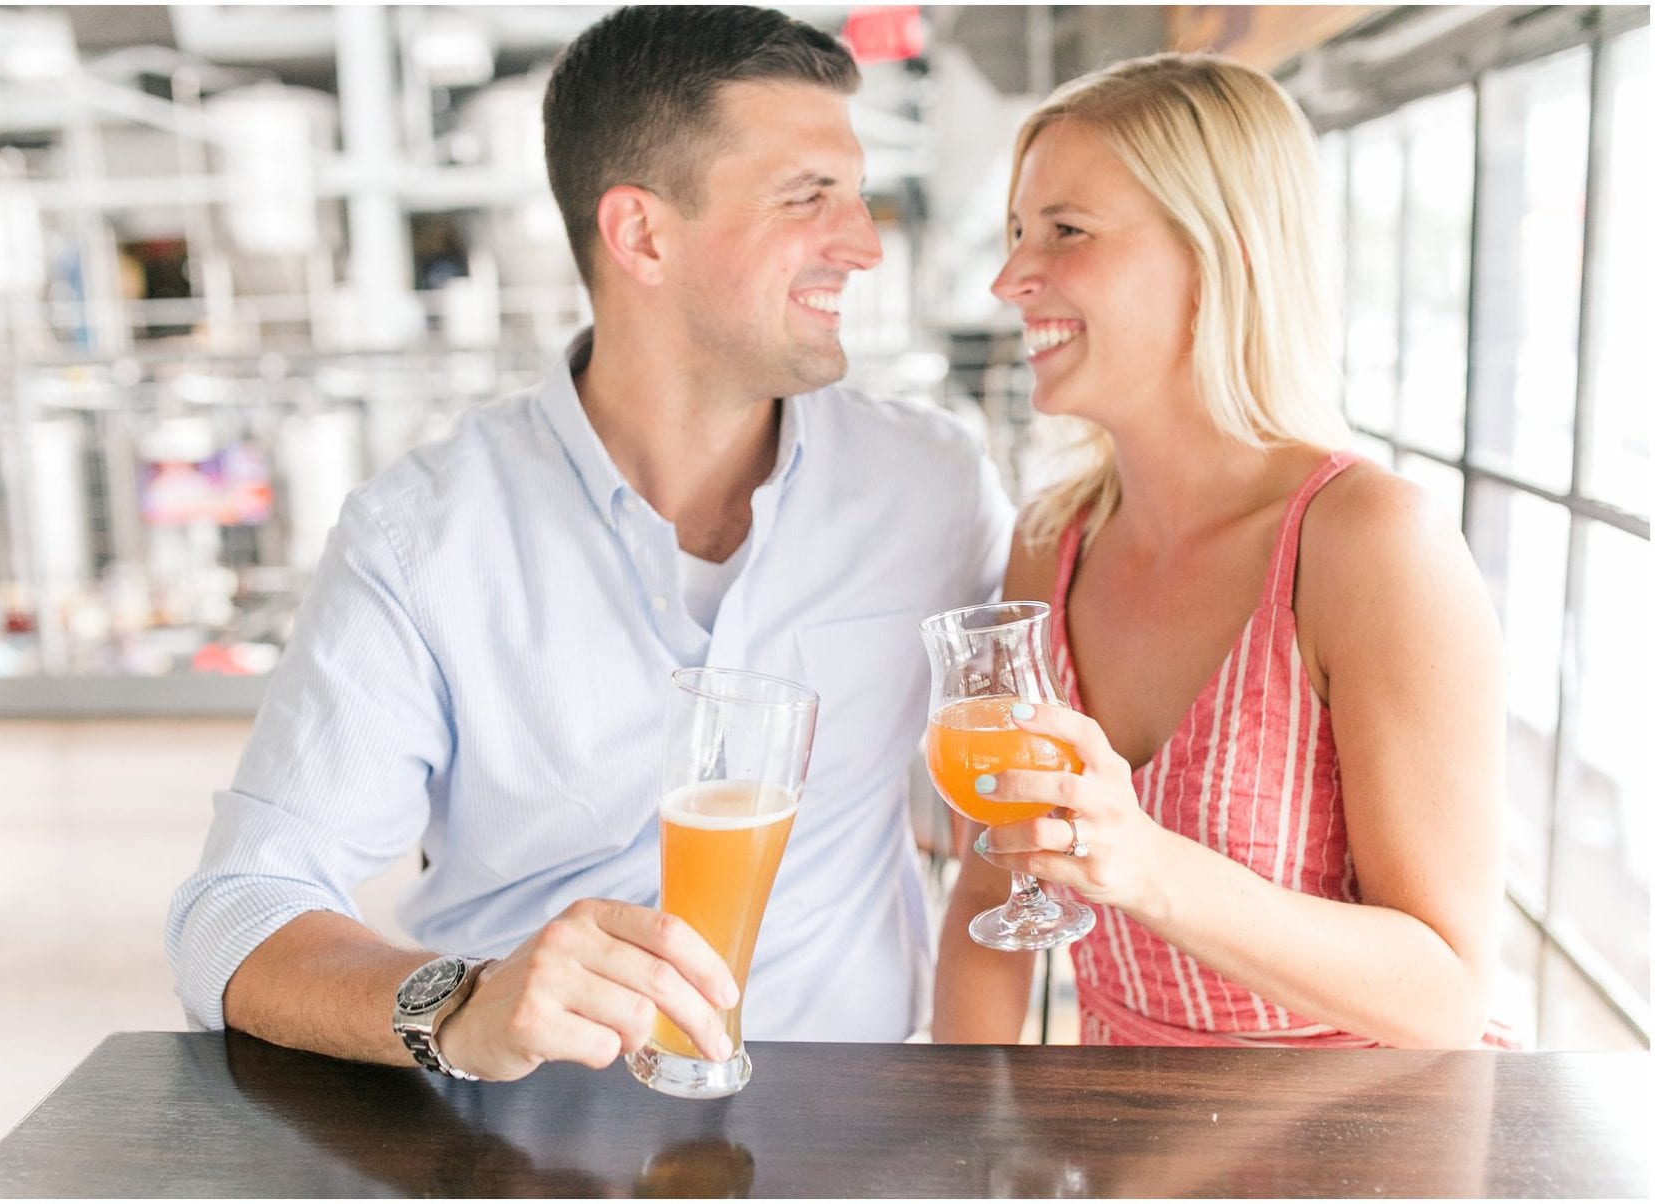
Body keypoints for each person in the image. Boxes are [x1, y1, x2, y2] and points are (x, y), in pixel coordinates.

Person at [167, 5, 1012, 1081]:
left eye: (855, 193)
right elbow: (231, 914)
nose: (863, 244)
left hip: (856, 1133)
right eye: (810, 199)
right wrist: (462, 1004)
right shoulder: (425, 535)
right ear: (642, 234)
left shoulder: (933, 486)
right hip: (532, 1143)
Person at [931, 53, 1508, 1048]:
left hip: (1366, 1155)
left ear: (1223, 254)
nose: (1009, 278)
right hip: (1125, 1149)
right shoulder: (1050, 544)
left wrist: (1148, 866)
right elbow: (993, 901)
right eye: (1020, 232)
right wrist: (965, 1144)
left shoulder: (1369, 545)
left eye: (1066, 232)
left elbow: (1446, 993)